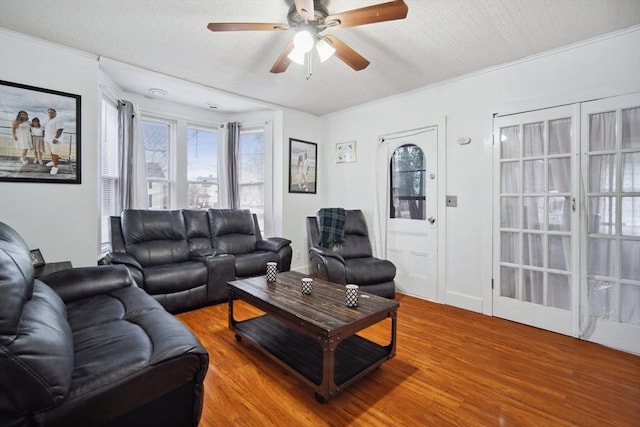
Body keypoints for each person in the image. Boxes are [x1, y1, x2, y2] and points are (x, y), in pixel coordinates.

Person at [43, 108, 64, 175]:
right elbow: (44, 128)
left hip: (55, 140)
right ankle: (53, 162)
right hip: (48, 139)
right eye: (49, 112)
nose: (50, 113)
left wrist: (56, 138)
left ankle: (55, 167)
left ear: (55, 113)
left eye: (52, 112)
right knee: (51, 152)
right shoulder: (48, 120)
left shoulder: (58, 120)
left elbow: (60, 129)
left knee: (55, 153)